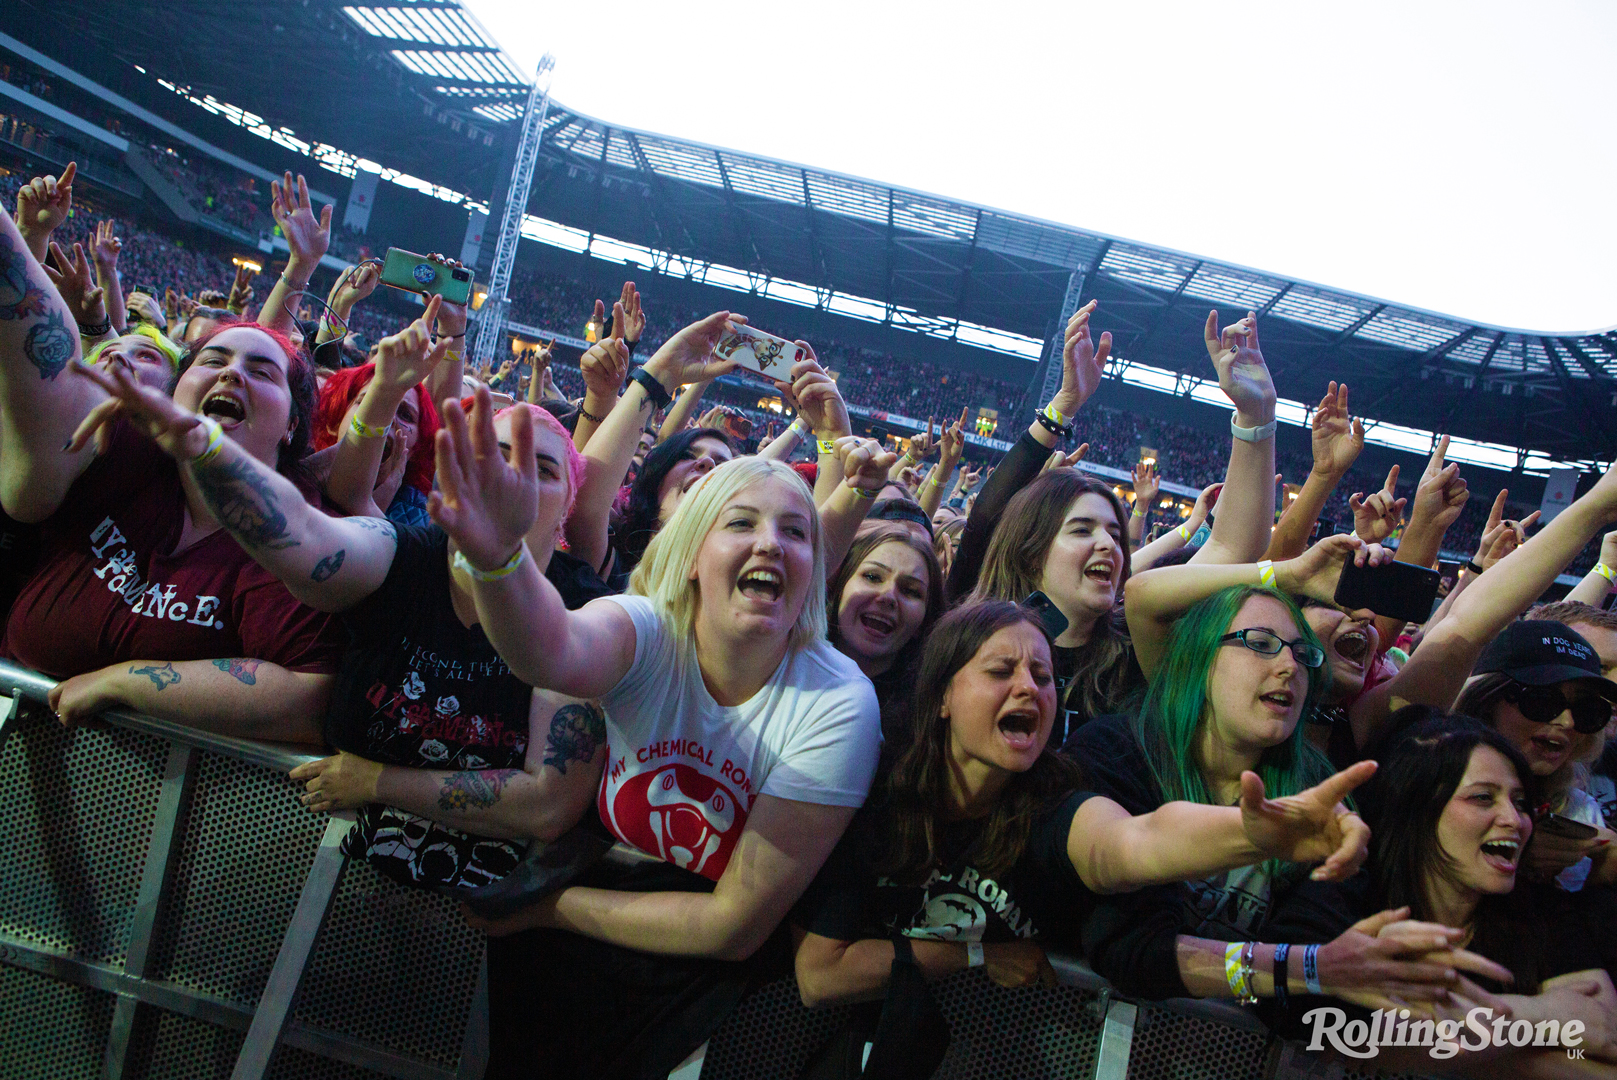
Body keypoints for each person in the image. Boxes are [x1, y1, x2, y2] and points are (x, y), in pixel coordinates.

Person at [427, 313, 886, 1077]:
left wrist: (548, 909)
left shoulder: (837, 702)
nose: (772, 543)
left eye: (795, 534)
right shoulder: (647, 628)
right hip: (568, 955)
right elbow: (548, 648)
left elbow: (733, 925)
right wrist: (499, 559)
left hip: (702, 983)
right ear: (692, 554)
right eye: (740, 523)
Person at [60, 344, 613, 892]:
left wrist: (378, 782)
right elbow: (302, 534)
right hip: (300, 867)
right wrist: (206, 451)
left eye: (541, 469)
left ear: (567, 508)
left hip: (471, 916)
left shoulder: (583, 610)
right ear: (452, 475)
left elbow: (548, 802)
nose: (509, 478)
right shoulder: (399, 554)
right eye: (489, 455)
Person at [791, 600, 1386, 1068]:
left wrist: (1252, 834)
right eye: (1002, 671)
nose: (1029, 687)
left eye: (1044, 676)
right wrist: (977, 954)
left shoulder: (1051, 800)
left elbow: (1130, 844)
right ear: (943, 694)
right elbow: (821, 975)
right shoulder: (877, 791)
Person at [0, 208, 340, 741]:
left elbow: (310, 696)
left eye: (261, 371)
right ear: (176, 390)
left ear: (293, 423)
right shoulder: (118, 446)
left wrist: (125, 682)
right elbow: (42, 356)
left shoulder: (298, 530)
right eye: (212, 361)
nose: (231, 372)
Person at [1268, 717, 1617, 1075]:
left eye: (1521, 801)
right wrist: (1547, 1015)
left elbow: (1605, 1037)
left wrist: (1460, 1032)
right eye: (1483, 798)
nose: (1514, 819)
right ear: (1417, 808)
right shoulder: (1342, 893)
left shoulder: (1540, 911)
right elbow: (1336, 1036)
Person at [1456, 622, 1617, 892]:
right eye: (1542, 700)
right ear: (1488, 698)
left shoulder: (1580, 812)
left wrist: (1606, 865)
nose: (1566, 722)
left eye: (1587, 710)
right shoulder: (1434, 781)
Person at [826, 524, 944, 744]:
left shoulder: (921, 728)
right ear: (839, 586)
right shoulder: (781, 664)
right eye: (872, 577)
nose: (888, 596)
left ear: (924, 622)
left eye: (910, 591)